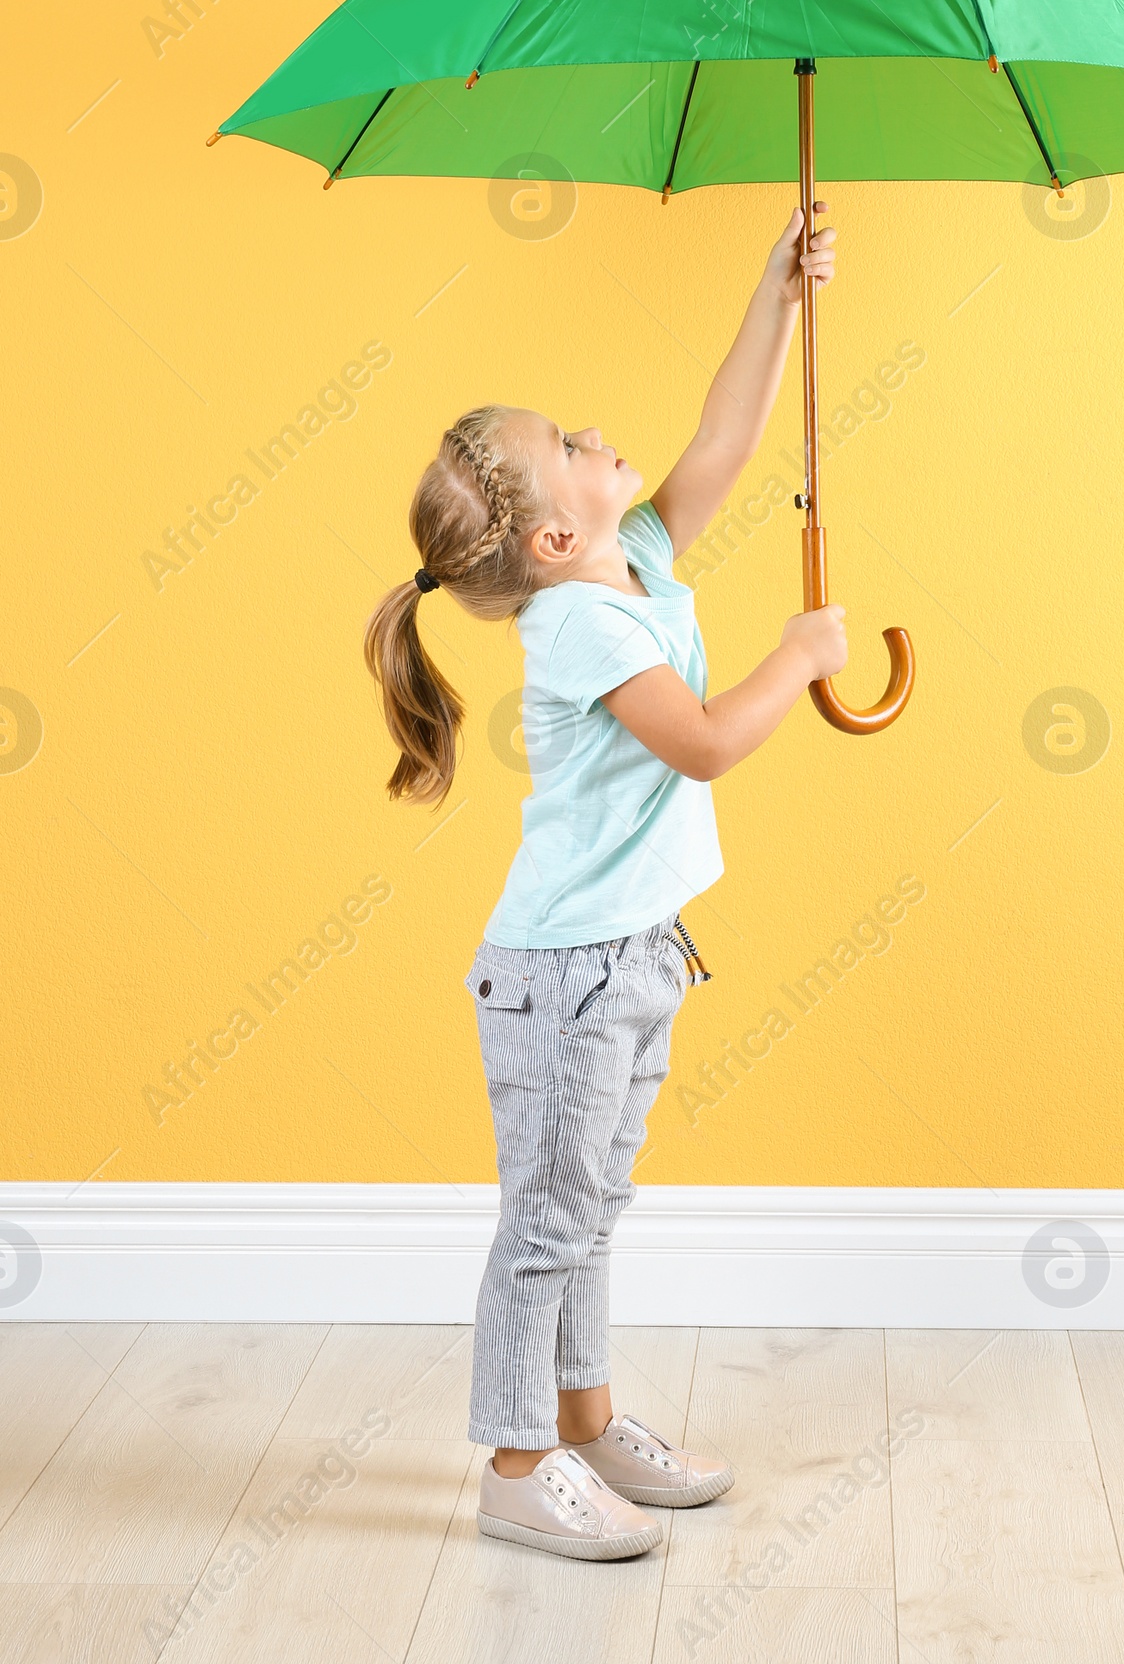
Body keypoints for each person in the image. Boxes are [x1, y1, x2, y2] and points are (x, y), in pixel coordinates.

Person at [363, 205, 847, 1561]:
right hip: (564, 977)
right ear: (552, 543)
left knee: (594, 1204)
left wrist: (778, 292)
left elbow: (726, 442)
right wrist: (798, 662)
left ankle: (583, 1422)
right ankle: (518, 1466)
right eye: (565, 449)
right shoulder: (578, 622)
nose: (590, 433)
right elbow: (700, 742)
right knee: (552, 1217)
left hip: (630, 953)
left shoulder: (630, 557)